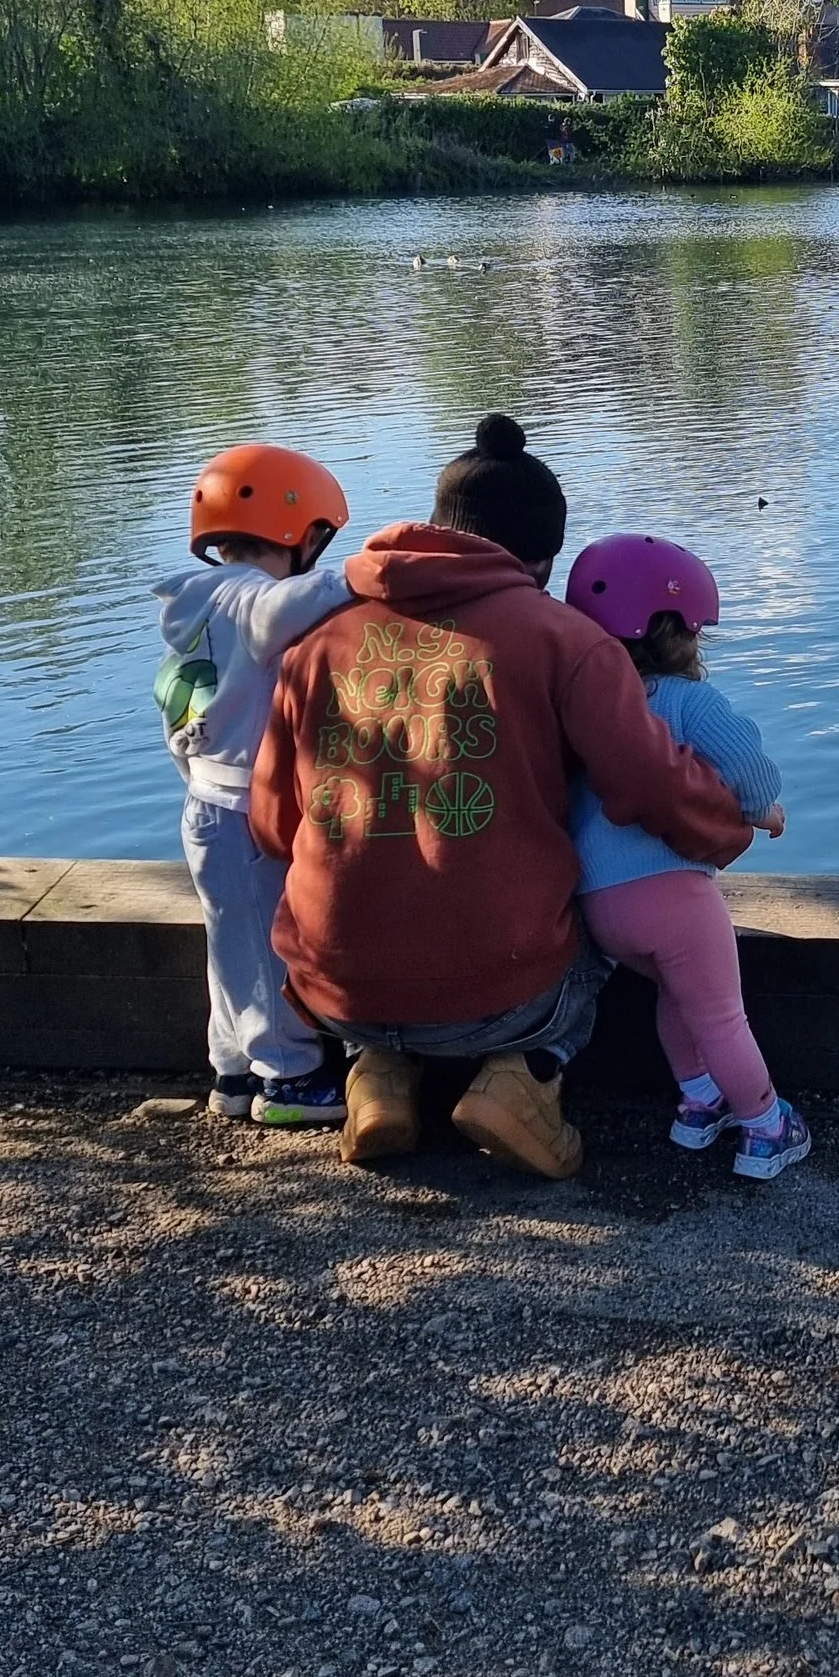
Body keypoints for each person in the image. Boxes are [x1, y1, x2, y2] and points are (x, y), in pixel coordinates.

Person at [247, 414, 751, 1180]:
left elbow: (272, 824)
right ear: (543, 561)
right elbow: (649, 785)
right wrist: (729, 826)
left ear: (438, 526)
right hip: (500, 997)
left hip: (333, 990)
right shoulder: (562, 640)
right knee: (605, 916)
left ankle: (379, 1072)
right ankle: (527, 1079)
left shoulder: (318, 641)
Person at [563, 532, 809, 1181]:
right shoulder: (684, 699)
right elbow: (747, 765)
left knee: (678, 993)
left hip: (601, 905)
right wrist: (764, 810)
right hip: (671, 894)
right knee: (723, 1013)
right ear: (682, 630)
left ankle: (698, 1106)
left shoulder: (584, 712)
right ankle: (765, 1126)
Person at [154, 443, 356, 1128]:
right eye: (323, 546)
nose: (324, 563)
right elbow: (283, 610)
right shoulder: (249, 598)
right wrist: (364, 576)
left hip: (205, 797)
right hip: (242, 805)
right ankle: (290, 1078)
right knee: (268, 943)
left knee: (230, 941)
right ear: (298, 534)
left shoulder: (198, 602)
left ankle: (232, 1070)